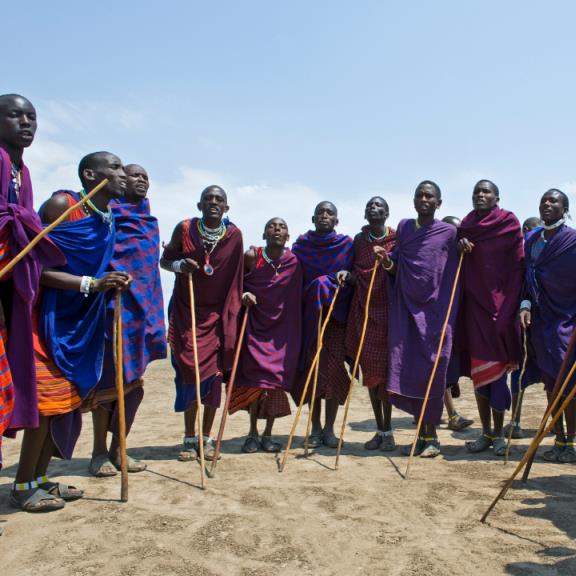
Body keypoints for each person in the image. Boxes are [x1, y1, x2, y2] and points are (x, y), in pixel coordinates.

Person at [11, 152, 131, 512]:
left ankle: (40, 479)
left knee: (65, 405)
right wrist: (91, 284)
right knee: (47, 405)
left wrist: (110, 281)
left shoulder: (109, 218)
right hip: (48, 320)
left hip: (82, 322)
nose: (123, 174)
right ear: (90, 174)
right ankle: (21, 486)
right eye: (116, 168)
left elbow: (95, 267)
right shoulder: (64, 206)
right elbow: (33, 265)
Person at [86, 164, 167, 477]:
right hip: (113, 308)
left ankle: (119, 449)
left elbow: (150, 273)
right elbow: (95, 258)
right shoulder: (107, 216)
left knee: (133, 386)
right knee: (107, 385)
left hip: (142, 313)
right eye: (135, 175)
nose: (141, 180)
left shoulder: (150, 222)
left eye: (146, 176)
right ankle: (97, 453)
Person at [0, 94, 64, 465]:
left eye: (32, 117)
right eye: (14, 115)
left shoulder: (21, 172)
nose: (26, 123)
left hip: (12, 293)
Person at [161, 185, 243, 461]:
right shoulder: (185, 229)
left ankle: (206, 439)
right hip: (187, 312)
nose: (213, 203)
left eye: (219, 200)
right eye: (208, 199)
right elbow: (165, 260)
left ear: (226, 208)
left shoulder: (234, 236)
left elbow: (236, 277)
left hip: (218, 316)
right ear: (199, 205)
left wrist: (235, 308)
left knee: (213, 377)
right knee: (189, 375)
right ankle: (188, 438)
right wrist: (180, 267)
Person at [379, 181, 459, 458]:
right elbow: (397, 264)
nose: (424, 199)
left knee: (432, 373)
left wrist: (466, 247)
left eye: (430, 196)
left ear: (439, 203)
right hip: (406, 310)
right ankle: (422, 437)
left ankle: (433, 437)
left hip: (436, 313)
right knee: (408, 369)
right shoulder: (403, 228)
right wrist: (386, 262)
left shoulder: (449, 232)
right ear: (413, 201)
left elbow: (455, 267)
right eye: (419, 195)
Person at [458, 179, 524, 457]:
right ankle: (486, 432)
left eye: (486, 191)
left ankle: (499, 434)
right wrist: (459, 245)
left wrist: (513, 305)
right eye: (476, 192)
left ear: (497, 197)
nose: (480, 195)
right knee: (479, 373)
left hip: (503, 306)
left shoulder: (508, 222)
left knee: (497, 374)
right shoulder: (467, 225)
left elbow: (519, 264)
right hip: (475, 308)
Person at [229, 218, 302, 453]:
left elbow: (297, 296)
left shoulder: (293, 262)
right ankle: (252, 433)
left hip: (281, 332)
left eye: (282, 227)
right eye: (272, 226)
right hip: (255, 327)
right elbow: (235, 285)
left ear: (288, 237)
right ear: (264, 233)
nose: (277, 229)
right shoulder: (252, 256)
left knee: (273, 384)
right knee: (255, 382)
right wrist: (245, 295)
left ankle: (268, 434)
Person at [292, 201, 354, 448]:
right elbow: (292, 279)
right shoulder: (301, 246)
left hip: (336, 320)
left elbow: (356, 275)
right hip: (311, 320)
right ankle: (315, 428)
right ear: (313, 218)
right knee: (314, 375)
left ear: (336, 220)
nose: (324, 216)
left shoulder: (347, 246)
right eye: (320, 213)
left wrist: (347, 277)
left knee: (334, 374)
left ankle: (329, 429)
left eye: (330, 213)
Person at [520, 190, 576, 462]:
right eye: (543, 200)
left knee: (568, 380)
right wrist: (525, 305)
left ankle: (571, 442)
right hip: (540, 319)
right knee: (550, 382)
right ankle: (560, 439)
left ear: (564, 209)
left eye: (554, 201)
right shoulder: (531, 239)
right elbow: (526, 278)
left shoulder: (572, 240)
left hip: (567, 319)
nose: (547, 204)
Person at [346, 197, 397, 451]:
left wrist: (386, 261)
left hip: (388, 314)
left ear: (387, 213)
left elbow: (400, 271)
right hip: (364, 314)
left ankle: (389, 431)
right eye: (368, 207)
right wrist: (348, 276)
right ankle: (380, 429)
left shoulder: (396, 239)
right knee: (372, 376)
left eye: (378, 206)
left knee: (386, 378)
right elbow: (356, 272)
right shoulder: (358, 240)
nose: (372, 210)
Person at [504, 215, 543, 439]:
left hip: (528, 319)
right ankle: (563, 428)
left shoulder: (527, 249)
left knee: (520, 374)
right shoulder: (525, 250)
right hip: (535, 320)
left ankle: (515, 422)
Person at [441, 215, 474, 432]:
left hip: (462, 319)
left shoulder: (467, 255)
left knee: (452, 366)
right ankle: (452, 415)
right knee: (441, 367)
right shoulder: (438, 257)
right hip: (440, 319)